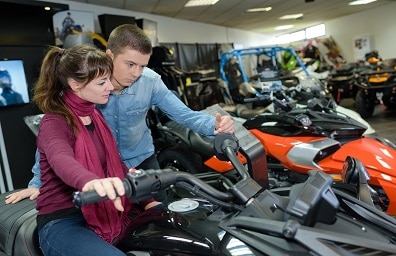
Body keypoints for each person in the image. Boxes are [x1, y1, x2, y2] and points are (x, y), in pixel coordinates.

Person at [5, 23, 234, 204]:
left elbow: (183, 114)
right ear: (109, 55)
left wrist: (215, 126)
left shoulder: (150, 81)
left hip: (142, 159)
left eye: (142, 66)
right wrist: (37, 182)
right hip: (99, 167)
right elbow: (52, 142)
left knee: (160, 214)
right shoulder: (85, 88)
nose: (136, 73)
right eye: (130, 64)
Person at [32, 44, 158, 256]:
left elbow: (115, 164)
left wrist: (148, 200)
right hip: (65, 220)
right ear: (75, 84)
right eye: (102, 82)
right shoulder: (54, 121)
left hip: (106, 208)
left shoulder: (94, 115)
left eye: (108, 79)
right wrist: (90, 182)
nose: (110, 86)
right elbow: (60, 158)